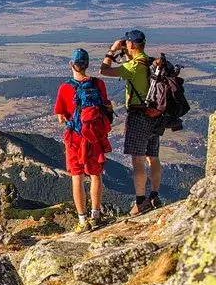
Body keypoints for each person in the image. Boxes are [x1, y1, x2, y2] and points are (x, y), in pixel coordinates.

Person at [100, 30, 162, 215]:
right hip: (155, 115)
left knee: (138, 159)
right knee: (153, 156)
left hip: (138, 115)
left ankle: (140, 201)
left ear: (132, 45)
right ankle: (154, 195)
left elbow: (104, 70)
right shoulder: (150, 62)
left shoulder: (134, 66)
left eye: (127, 43)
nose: (125, 45)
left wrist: (112, 50)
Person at [54, 49, 112, 233]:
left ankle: (82, 221)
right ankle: (96, 215)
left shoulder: (65, 88)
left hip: (75, 139)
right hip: (94, 137)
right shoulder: (98, 84)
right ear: (87, 65)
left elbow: (61, 117)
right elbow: (106, 106)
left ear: (71, 64)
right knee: (96, 175)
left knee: (77, 178)